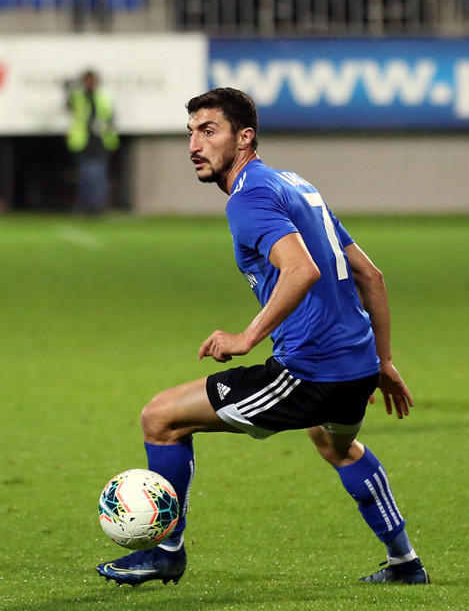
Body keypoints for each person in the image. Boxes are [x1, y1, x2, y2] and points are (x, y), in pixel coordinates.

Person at [96, 87, 429, 587]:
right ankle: (405, 563)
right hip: (356, 366)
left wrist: (246, 337)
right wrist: (382, 362)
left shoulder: (249, 197)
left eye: (209, 131)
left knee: (160, 417)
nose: (194, 145)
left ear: (244, 137)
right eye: (191, 133)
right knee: (336, 445)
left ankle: (165, 553)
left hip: (310, 372)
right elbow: (371, 276)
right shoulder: (296, 185)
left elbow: (302, 269)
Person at [65, 69, 119, 214]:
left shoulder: (103, 97)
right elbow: (69, 107)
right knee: (84, 176)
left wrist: (104, 125)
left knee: (98, 175)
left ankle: (98, 205)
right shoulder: (78, 96)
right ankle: (85, 205)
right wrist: (68, 91)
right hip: (82, 142)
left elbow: (111, 116)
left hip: (100, 142)